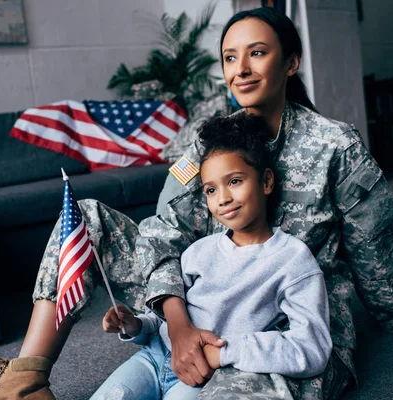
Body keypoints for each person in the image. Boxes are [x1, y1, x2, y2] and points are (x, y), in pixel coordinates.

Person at [0, 7, 393, 400]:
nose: (241, 68)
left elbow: (373, 239)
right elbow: (164, 231)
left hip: (284, 321)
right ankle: (26, 381)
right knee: (87, 216)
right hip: (205, 297)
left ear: (291, 62)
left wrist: (388, 314)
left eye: (258, 52)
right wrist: (178, 326)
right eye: (230, 58)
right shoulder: (208, 143)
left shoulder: (336, 145)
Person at [90, 113, 332, 399]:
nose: (223, 198)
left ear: (266, 181)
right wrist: (135, 325)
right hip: (151, 359)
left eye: (235, 181)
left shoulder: (292, 260)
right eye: (211, 190)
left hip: (201, 376)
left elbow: (312, 348)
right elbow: (169, 323)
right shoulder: (198, 252)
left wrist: (225, 353)